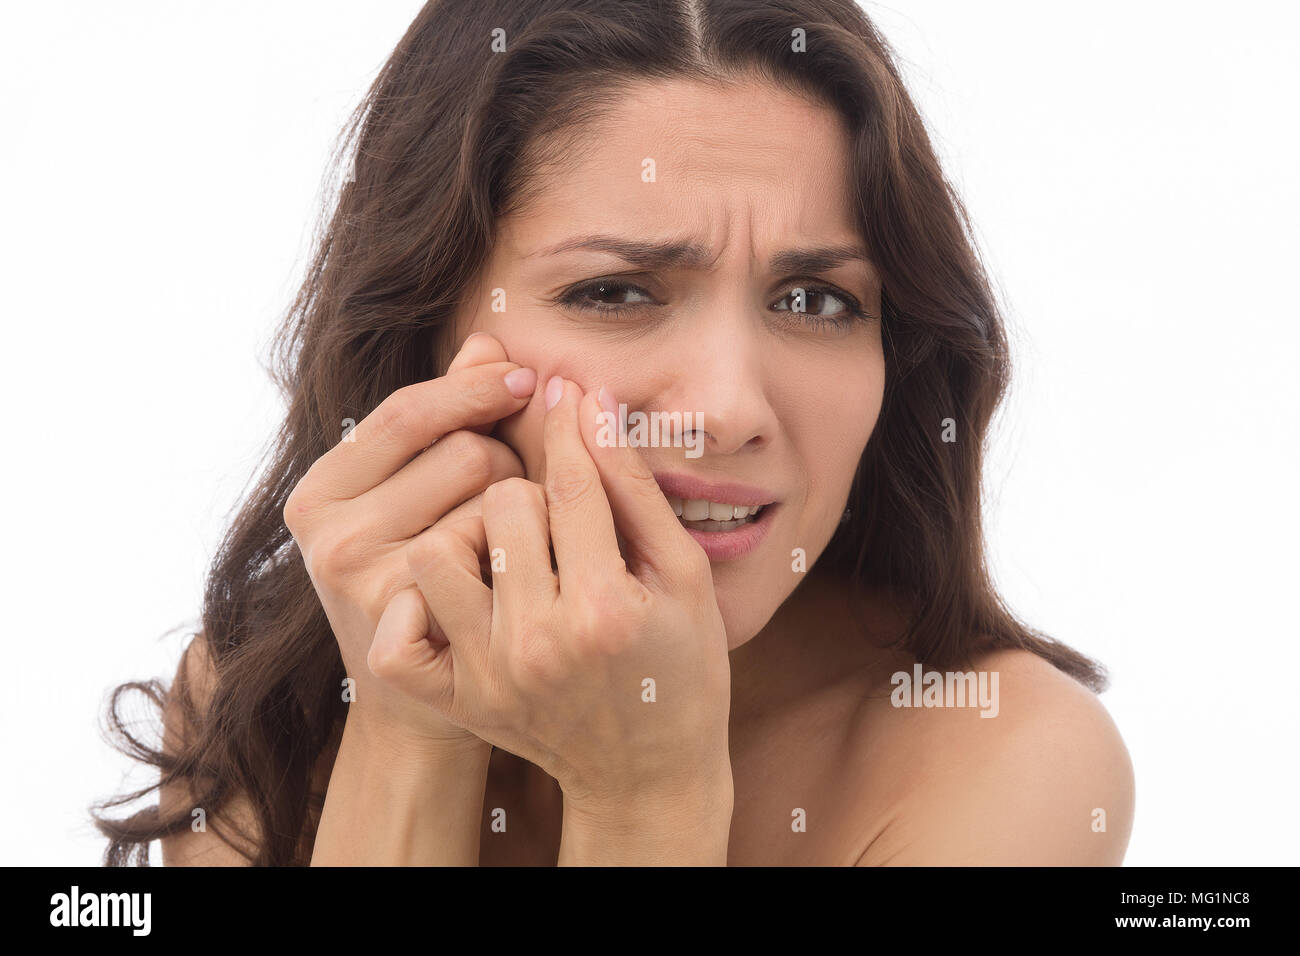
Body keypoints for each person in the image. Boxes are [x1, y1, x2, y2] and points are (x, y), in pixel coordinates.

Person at [95, 0, 1134, 866]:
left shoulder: (999, 754)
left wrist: (645, 794)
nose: (728, 407)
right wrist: (410, 724)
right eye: (614, 289)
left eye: (815, 300)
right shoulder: (258, 705)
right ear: (426, 337)